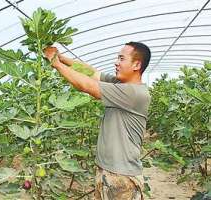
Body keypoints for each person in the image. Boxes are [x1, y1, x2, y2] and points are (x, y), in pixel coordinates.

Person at [44, 42, 151, 200]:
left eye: (121, 58)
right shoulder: (120, 83)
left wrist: (56, 64)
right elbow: (90, 73)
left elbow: (87, 86)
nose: (116, 62)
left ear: (136, 64)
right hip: (107, 171)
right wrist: (61, 57)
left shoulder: (134, 93)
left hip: (121, 178)